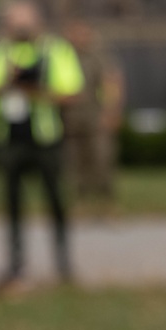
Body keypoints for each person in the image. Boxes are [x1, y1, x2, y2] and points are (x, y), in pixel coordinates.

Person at [0, 0, 84, 288]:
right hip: (8, 139)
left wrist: (33, 89)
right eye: (15, 23)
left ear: (38, 22)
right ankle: (15, 265)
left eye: (25, 22)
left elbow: (71, 92)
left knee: (55, 202)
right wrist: (6, 83)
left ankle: (63, 265)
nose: (20, 29)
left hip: (46, 139)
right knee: (12, 205)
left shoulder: (55, 50)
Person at [61, 20, 123, 206]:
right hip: (70, 118)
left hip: (95, 116)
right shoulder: (62, 57)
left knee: (102, 158)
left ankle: (107, 202)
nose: (78, 37)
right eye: (73, 33)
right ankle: (81, 202)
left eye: (82, 33)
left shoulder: (99, 56)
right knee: (75, 161)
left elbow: (111, 83)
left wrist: (111, 111)